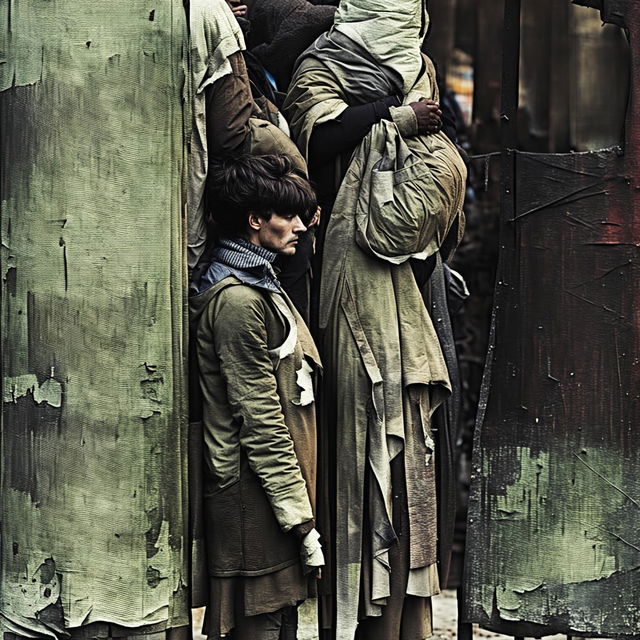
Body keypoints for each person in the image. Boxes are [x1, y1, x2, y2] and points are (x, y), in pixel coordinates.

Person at [283, 2, 467, 639]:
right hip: (347, 264)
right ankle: (358, 604)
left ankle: (401, 614)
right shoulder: (322, 65)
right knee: (362, 426)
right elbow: (319, 138)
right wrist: (396, 119)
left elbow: (436, 143)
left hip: (411, 271)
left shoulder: (419, 66)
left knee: (410, 427)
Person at [189, 155, 325, 640]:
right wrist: (300, 522)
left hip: (270, 496)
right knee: (262, 626)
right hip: (253, 496)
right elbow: (260, 419)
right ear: (254, 221)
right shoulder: (237, 302)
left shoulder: (260, 285)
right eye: (285, 217)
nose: (298, 228)